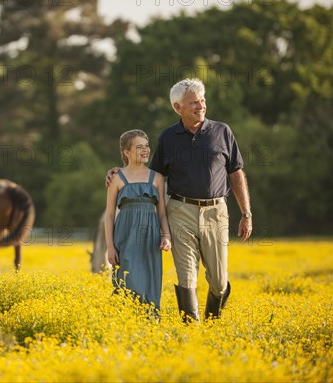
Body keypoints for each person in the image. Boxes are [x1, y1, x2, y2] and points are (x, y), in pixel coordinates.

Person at [106, 78, 252, 322]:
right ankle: (191, 330)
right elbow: (151, 175)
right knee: (187, 277)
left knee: (218, 280)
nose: (201, 106)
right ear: (178, 107)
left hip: (216, 212)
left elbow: (236, 172)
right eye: (194, 102)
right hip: (180, 210)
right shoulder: (167, 138)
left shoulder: (222, 131)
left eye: (202, 100)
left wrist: (246, 213)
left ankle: (212, 322)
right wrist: (118, 172)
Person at [105, 129, 171, 312]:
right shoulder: (116, 179)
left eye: (147, 146)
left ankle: (150, 325)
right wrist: (110, 247)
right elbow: (109, 216)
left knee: (150, 283)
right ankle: (126, 322)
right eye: (139, 147)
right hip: (125, 237)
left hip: (150, 239)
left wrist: (166, 237)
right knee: (126, 281)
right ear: (126, 152)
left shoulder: (157, 178)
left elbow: (162, 213)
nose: (145, 150)